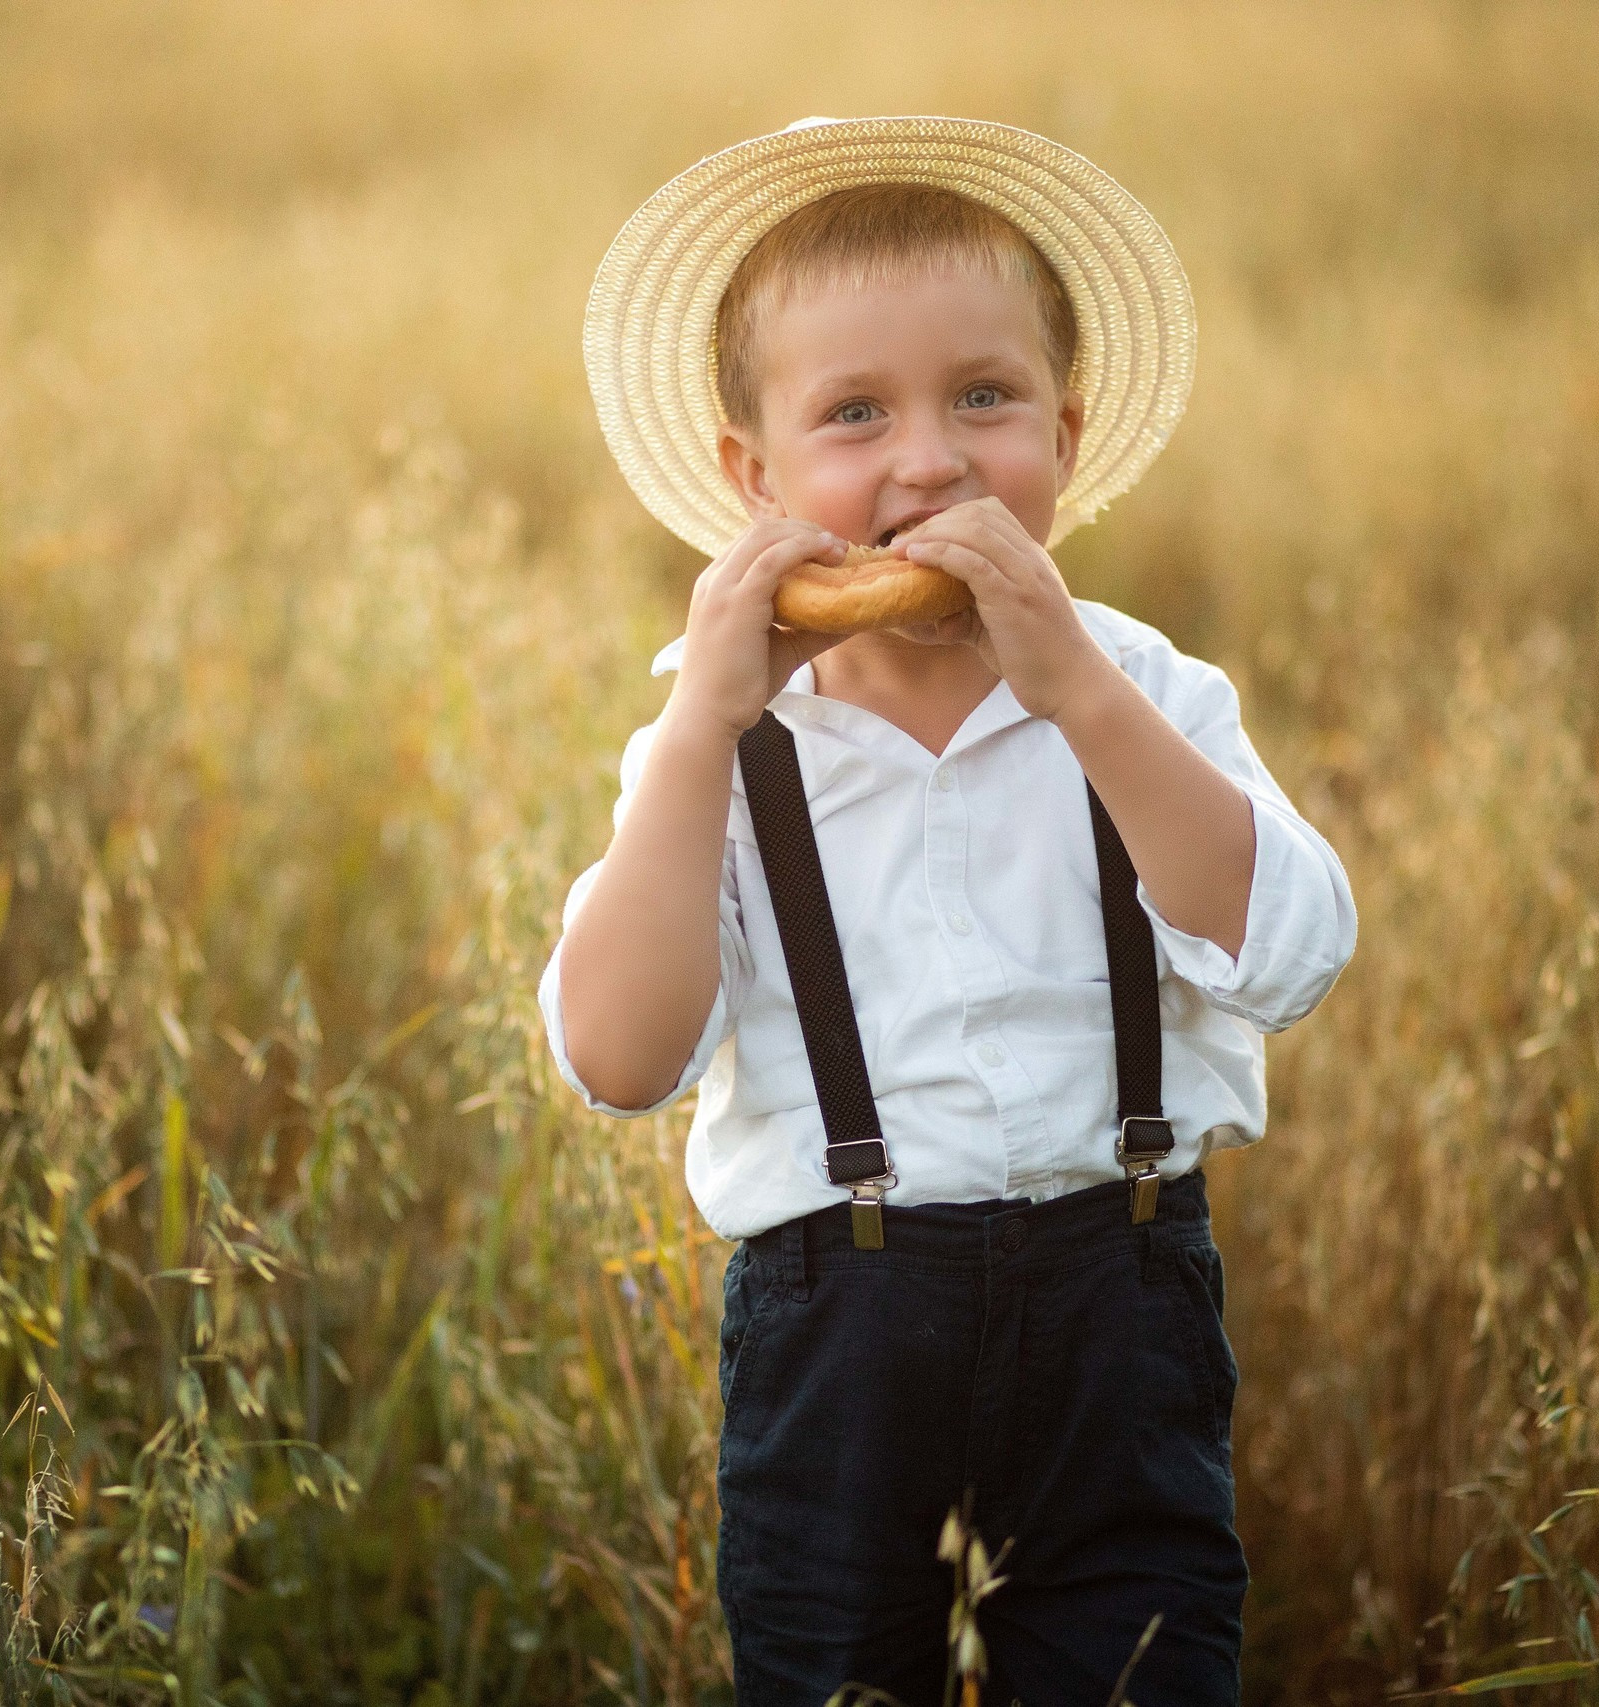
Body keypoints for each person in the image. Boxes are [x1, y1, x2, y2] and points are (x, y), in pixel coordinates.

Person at [539, 117, 1358, 1706]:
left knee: (1138, 1669)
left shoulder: (1150, 689)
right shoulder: (711, 749)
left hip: (1118, 1299)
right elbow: (620, 1057)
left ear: (1065, 427)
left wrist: (1081, 697)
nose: (931, 458)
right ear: (751, 482)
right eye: (856, 414)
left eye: (984, 397)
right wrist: (701, 733)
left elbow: (1294, 954)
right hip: (836, 1331)